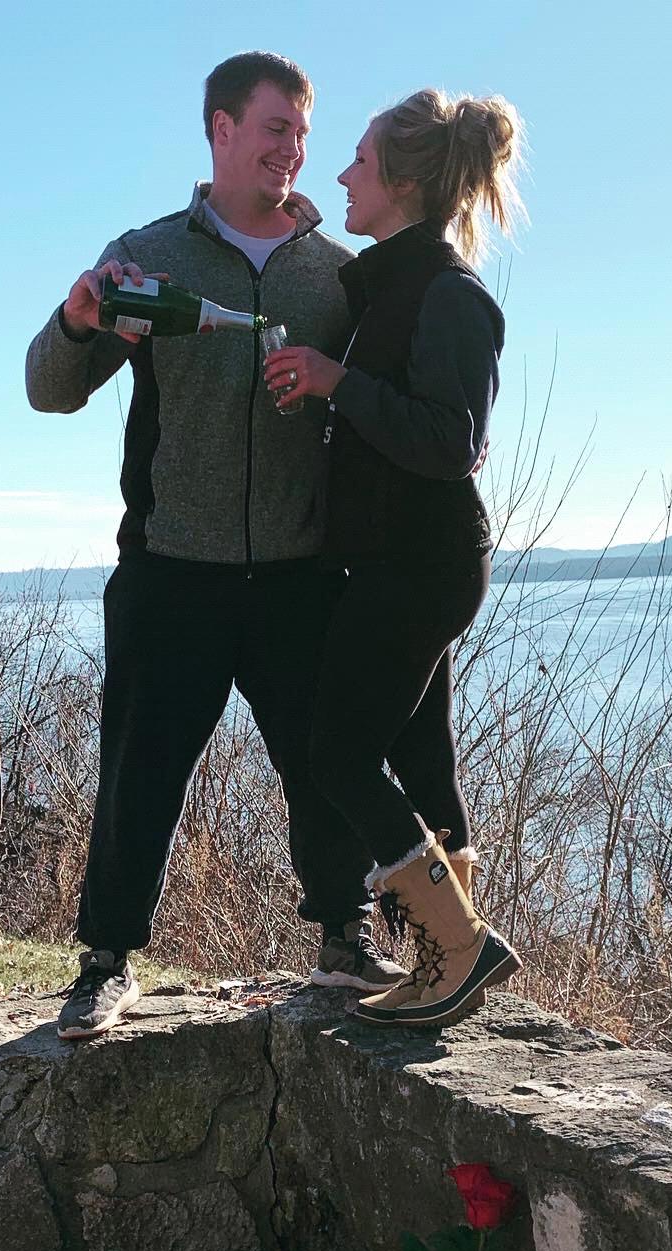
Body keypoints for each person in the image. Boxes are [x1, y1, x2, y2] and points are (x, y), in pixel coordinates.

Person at [26, 51, 405, 1041]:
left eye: (304, 134)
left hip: (299, 574)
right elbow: (48, 390)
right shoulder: (147, 256)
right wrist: (77, 321)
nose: (294, 150)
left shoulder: (335, 273)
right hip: (170, 570)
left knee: (325, 767)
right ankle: (105, 963)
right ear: (221, 129)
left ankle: (344, 939)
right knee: (138, 774)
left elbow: (380, 403)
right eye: (277, 128)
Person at [262, 89, 525, 1027]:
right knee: (421, 757)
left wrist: (337, 382)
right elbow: (388, 381)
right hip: (395, 559)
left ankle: (457, 944)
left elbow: (451, 442)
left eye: (360, 161)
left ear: (404, 183)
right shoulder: (396, 286)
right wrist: (303, 237)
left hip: (422, 563)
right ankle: (444, 963)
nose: (340, 174)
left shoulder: (453, 296)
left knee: (336, 754)